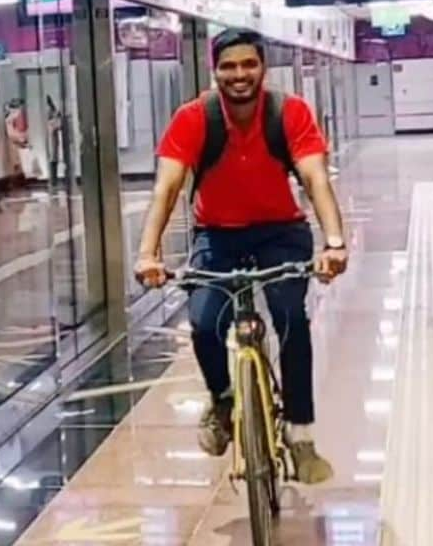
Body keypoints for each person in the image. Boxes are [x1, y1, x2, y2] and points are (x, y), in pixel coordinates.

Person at [134, 27, 348, 484]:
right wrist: (147, 253)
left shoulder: (289, 113)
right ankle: (224, 400)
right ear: (215, 71)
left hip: (281, 234)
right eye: (229, 66)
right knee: (205, 323)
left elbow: (315, 179)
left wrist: (334, 243)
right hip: (218, 237)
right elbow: (166, 187)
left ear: (263, 68)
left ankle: (301, 434)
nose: (239, 75)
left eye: (248, 64)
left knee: (291, 317)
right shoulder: (195, 118)